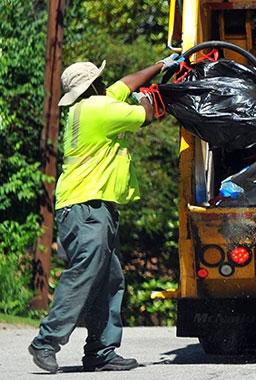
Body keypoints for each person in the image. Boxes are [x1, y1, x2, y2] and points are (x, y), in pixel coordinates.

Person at [28, 54, 180, 373]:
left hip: (95, 207)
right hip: (85, 206)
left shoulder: (88, 105)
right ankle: (46, 341)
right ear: (94, 84)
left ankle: (100, 351)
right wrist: (172, 89)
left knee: (109, 279)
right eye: (101, 80)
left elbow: (125, 84)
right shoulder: (97, 109)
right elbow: (147, 113)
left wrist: (161, 66)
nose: (106, 83)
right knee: (85, 271)